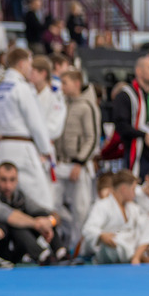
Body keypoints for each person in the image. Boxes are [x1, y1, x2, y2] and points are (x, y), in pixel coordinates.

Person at [0, 48, 55, 208]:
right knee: (40, 198)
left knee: (4, 195)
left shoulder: (0, 89)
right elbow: (36, 123)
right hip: (22, 147)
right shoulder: (22, 88)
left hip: (3, 147)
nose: (30, 68)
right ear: (21, 64)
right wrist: (45, 150)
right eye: (29, 64)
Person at [0, 162, 66, 265]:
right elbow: (9, 216)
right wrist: (39, 225)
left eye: (12, 180)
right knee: (16, 223)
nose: (8, 185)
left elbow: (51, 213)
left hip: (16, 245)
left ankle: (61, 254)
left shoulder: (19, 196)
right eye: (3, 180)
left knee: (41, 215)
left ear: (17, 180)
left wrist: (50, 222)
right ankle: (42, 256)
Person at [53, 69, 99, 250]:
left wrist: (80, 163)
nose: (62, 87)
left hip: (78, 164)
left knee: (81, 210)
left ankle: (79, 248)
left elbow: (92, 138)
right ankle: (66, 241)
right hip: (60, 163)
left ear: (77, 83)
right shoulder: (62, 104)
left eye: (65, 83)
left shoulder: (87, 106)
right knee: (53, 204)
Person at [80, 170, 149, 264]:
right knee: (118, 241)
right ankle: (139, 257)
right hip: (111, 247)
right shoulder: (103, 205)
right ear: (123, 189)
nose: (135, 194)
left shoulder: (131, 207)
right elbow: (88, 229)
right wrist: (101, 235)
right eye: (133, 189)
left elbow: (143, 223)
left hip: (128, 243)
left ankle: (136, 256)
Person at [112, 54, 149, 179]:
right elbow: (121, 125)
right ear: (139, 71)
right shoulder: (126, 95)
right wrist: (143, 136)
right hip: (136, 154)